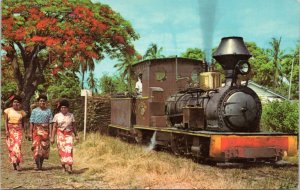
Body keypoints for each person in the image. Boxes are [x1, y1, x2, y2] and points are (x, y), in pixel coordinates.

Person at [51, 99, 79, 174]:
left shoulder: (71, 115)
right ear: (60, 108)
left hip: (69, 134)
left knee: (69, 150)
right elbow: (54, 127)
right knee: (61, 150)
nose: (64, 109)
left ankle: (70, 166)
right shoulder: (57, 116)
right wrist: (52, 137)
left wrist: (76, 135)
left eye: (65, 107)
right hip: (60, 134)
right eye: (62, 107)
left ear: (68, 108)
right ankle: (63, 167)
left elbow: (74, 126)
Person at [29, 94, 53, 170]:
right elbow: (31, 122)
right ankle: (36, 164)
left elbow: (50, 123)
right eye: (41, 101)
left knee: (43, 148)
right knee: (36, 147)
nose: (42, 102)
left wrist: (51, 134)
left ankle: (40, 165)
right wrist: (30, 132)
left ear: (46, 102)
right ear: (38, 102)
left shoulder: (48, 111)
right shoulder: (34, 111)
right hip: (36, 130)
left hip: (45, 131)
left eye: (44, 101)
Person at [3, 95, 26, 171]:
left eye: (17, 102)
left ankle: (18, 163)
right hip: (10, 130)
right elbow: (5, 121)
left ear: (20, 103)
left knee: (17, 146)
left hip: (18, 131)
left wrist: (24, 131)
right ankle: (14, 163)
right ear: (12, 103)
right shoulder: (7, 111)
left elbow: (23, 123)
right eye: (14, 102)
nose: (16, 103)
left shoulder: (22, 112)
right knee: (11, 148)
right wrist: (6, 131)